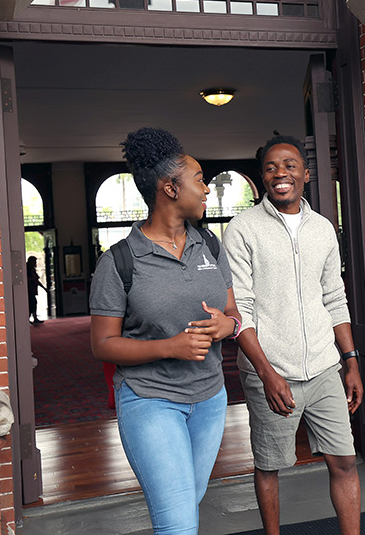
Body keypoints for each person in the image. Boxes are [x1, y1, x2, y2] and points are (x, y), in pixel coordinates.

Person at [89, 127, 241, 535]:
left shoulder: (209, 244)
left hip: (209, 399)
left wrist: (228, 325)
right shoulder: (119, 261)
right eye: (199, 179)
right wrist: (170, 347)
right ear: (169, 188)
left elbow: (232, 312)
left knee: (184, 509)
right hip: (149, 400)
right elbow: (103, 345)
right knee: (177, 523)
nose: (207, 189)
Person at [223, 135, 363, 535]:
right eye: (270, 167)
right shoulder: (243, 229)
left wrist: (350, 362)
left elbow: (336, 298)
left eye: (288, 165)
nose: (279, 173)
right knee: (270, 466)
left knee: (345, 461)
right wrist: (266, 373)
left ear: (304, 172)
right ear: (262, 178)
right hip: (270, 370)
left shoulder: (322, 228)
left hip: (323, 367)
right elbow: (238, 309)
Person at [26, 255, 47, 325]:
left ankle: (33, 318)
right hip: (29, 290)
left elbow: (37, 281)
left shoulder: (32, 269)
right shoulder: (27, 269)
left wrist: (44, 288)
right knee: (31, 303)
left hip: (32, 289)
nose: (36, 263)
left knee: (33, 303)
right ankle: (30, 318)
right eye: (34, 261)